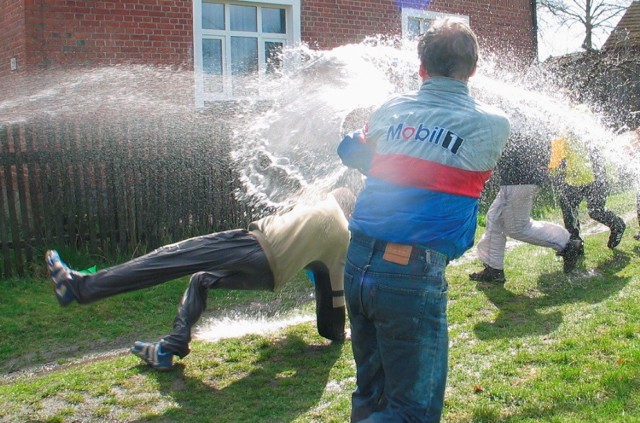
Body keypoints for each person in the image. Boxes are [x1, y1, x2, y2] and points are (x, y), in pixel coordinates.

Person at [337, 18, 510, 422]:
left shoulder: (389, 108)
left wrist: (370, 152)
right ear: (472, 70)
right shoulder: (491, 124)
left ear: (421, 68)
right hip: (409, 274)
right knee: (412, 413)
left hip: (358, 260)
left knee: (371, 393)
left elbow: (359, 154)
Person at [46, 188, 355, 371]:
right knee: (202, 279)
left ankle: (80, 286)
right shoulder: (340, 238)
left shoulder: (322, 202)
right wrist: (338, 334)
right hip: (268, 275)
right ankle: (169, 348)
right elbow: (331, 297)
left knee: (171, 256)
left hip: (251, 245)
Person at [469, 132, 583, 282]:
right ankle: (494, 269)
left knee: (518, 228)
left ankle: (567, 244)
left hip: (519, 181)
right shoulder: (524, 121)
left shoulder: (512, 121)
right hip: (520, 180)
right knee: (495, 219)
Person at [549, 133, 626, 250]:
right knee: (568, 206)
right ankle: (575, 242)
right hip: (575, 178)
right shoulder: (561, 131)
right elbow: (556, 159)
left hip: (596, 175)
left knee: (595, 211)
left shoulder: (579, 123)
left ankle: (617, 225)